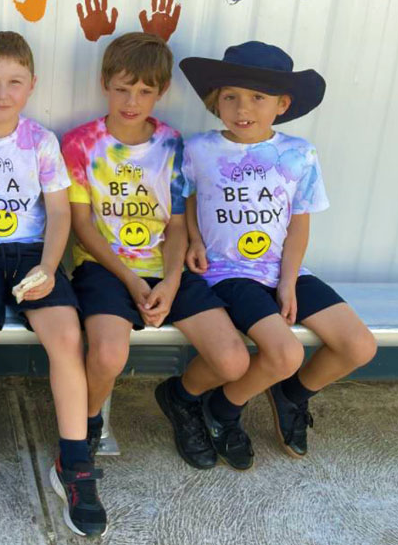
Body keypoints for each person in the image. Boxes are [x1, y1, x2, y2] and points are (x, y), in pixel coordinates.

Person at [0, 31, 106, 537]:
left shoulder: (40, 141)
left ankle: (73, 462)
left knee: (67, 338)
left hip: (33, 254)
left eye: (14, 82)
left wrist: (49, 266)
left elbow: (59, 211)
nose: (1, 93)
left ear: (32, 85)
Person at [179, 41, 377, 469]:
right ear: (216, 100)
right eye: (230, 96)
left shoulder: (299, 154)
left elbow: (299, 222)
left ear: (282, 104)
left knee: (359, 346)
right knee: (285, 354)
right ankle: (223, 409)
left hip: (282, 268)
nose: (242, 108)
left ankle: (291, 394)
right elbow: (188, 200)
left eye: (258, 97)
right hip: (228, 273)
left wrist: (289, 280)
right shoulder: (198, 149)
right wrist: (194, 240)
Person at [62, 32, 249, 472]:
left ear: (161, 91)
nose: (132, 101)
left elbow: (178, 223)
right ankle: (87, 422)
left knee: (233, 360)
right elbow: (82, 226)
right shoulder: (80, 144)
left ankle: (181, 398)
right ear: (105, 83)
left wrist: (170, 280)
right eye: (122, 88)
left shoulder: (172, 144)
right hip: (104, 268)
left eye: (145, 91)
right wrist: (130, 280)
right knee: (108, 355)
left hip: (164, 265)